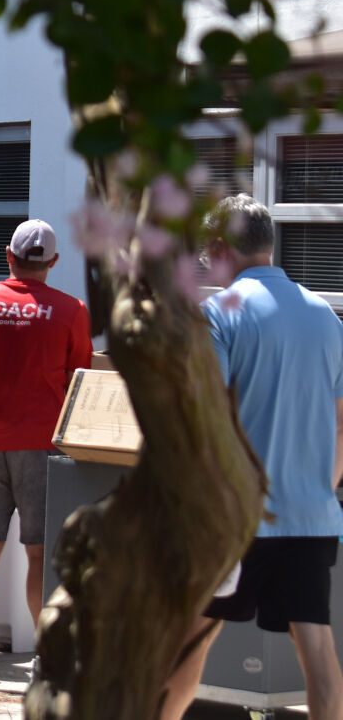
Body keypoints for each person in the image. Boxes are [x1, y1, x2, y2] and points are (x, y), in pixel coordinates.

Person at [160, 195, 343, 720]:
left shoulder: (218, 314)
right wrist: (320, 490)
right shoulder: (323, 314)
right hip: (310, 516)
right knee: (317, 651)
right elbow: (341, 420)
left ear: (220, 250)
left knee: (187, 643)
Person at [0, 219, 91, 689]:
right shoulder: (71, 311)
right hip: (44, 447)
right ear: (52, 263)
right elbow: (82, 385)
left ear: (8, 257)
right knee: (39, 553)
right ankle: (46, 662)